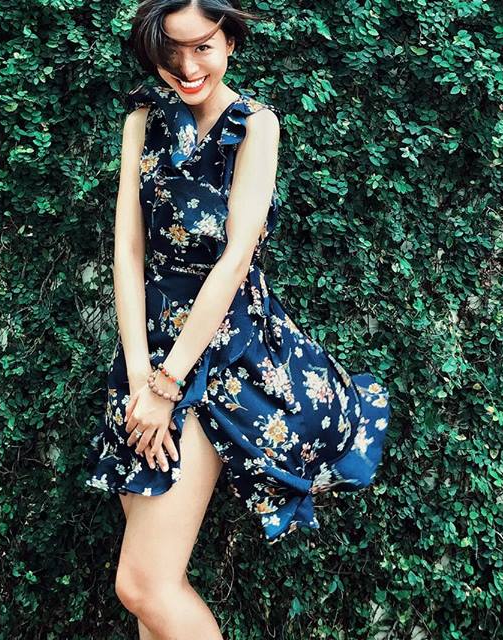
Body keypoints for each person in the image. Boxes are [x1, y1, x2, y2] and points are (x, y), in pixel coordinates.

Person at [83, 1, 391, 636]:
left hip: (218, 355)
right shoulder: (142, 119)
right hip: (143, 354)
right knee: (150, 590)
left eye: (202, 47)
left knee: (142, 583)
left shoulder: (256, 126)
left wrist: (167, 383)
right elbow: (128, 249)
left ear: (229, 41)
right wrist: (139, 376)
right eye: (171, 52)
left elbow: (235, 259)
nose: (187, 67)